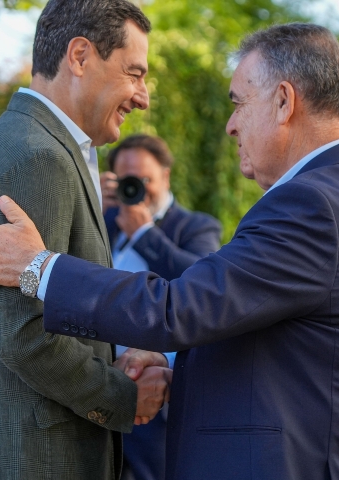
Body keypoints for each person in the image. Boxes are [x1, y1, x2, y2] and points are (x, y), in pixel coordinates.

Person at [0, 23, 339, 479]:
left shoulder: (314, 205)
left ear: (284, 101)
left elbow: (177, 309)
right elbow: (256, 323)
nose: (230, 125)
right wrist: (173, 363)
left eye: (239, 103)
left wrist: (36, 267)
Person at [0, 1, 172, 478]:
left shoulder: (34, 144)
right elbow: (24, 336)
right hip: (16, 456)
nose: (143, 96)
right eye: (135, 73)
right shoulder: (35, 156)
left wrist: (116, 357)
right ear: (79, 56)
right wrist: (125, 397)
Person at [100, 134, 222, 479]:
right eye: (127, 181)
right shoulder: (103, 221)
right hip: (101, 388)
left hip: (157, 395)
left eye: (145, 180)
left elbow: (202, 286)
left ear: (166, 177)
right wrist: (89, 200)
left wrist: (144, 233)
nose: (137, 189)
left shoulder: (196, 226)